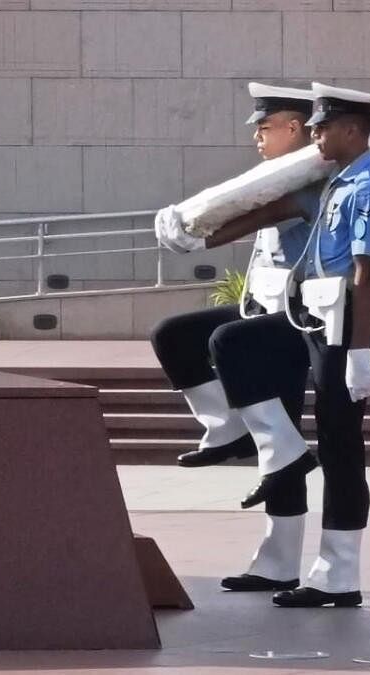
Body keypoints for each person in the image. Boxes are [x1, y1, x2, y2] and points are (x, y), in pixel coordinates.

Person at [169, 82, 370, 608]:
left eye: (320, 127)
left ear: (350, 130)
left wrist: (360, 356)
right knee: (227, 346)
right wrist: (199, 238)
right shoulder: (333, 181)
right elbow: (270, 213)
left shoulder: (366, 190)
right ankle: (275, 502)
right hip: (312, 319)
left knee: (341, 448)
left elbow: (365, 278)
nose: (313, 136)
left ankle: (338, 574)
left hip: (349, 328)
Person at [150, 83, 322, 593]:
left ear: (294, 128)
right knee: (174, 336)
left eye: (265, 128)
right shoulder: (276, 178)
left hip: (294, 320)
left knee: (284, 440)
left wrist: (197, 228)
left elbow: (254, 215)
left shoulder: (312, 178)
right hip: (261, 309)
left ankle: (278, 562)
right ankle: (227, 427)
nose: (258, 138)